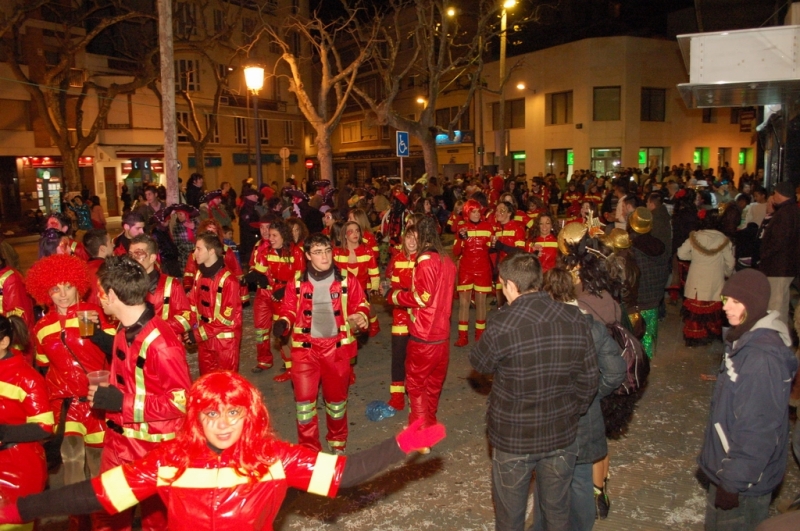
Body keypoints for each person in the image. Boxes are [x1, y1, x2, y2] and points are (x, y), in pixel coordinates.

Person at [0, 371, 446, 531]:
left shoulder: (274, 458)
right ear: (197, 418)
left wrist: (401, 444)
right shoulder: (170, 462)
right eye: (212, 415)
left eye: (233, 414)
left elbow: (343, 474)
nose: (224, 424)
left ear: (249, 416)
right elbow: (94, 494)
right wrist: (18, 509)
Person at [470, 252, 598, 531]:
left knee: (510, 517)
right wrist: (569, 412)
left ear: (511, 286)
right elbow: (589, 379)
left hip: (513, 438)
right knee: (556, 512)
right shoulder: (574, 316)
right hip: (560, 435)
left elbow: (479, 362)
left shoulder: (503, 322)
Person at [85, 255, 191, 531]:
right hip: (118, 444)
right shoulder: (123, 329)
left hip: (153, 451)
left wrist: (122, 402)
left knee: (156, 521)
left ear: (111, 294)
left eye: (99, 293)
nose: (98, 299)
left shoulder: (163, 345)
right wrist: (108, 393)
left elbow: (181, 401)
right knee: (105, 514)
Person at [699, 269, 797, 531]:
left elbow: (758, 428)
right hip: (728, 469)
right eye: (725, 299)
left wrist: (733, 482)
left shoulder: (761, 358)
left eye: (736, 302)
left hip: (742, 483)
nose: (726, 308)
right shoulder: (744, 340)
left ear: (753, 304)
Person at [532, 267, 625, 530]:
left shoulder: (540, 328)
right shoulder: (591, 326)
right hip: (584, 416)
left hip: (548, 418)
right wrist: (593, 392)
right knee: (582, 480)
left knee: (547, 481)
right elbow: (616, 371)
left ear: (546, 293)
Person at [25, 254, 114, 529]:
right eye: (55, 289)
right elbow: (43, 367)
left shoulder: (94, 314)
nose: (62, 294)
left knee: (99, 461)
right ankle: (78, 520)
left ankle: (102, 519)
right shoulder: (40, 328)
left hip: (97, 400)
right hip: (65, 405)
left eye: (67, 286)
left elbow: (115, 350)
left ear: (78, 284)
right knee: (72, 459)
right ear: (46, 292)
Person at [274, 233, 370, 453]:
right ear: (308, 255)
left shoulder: (347, 279)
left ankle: (337, 442)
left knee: (336, 403)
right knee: (304, 405)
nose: (325, 256)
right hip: (305, 352)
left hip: (336, 350)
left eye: (327, 251)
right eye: (318, 252)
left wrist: (361, 316)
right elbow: (288, 308)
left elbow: (361, 304)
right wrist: (283, 322)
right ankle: (309, 450)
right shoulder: (297, 283)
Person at [386, 216, 456, 427]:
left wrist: (394, 296)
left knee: (416, 385)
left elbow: (422, 298)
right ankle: (430, 423)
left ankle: (419, 430)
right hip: (442, 336)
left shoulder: (425, 261)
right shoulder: (448, 261)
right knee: (434, 385)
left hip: (424, 334)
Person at [0, 314, 52, 531]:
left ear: (3, 342)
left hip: (18, 468)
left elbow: (44, 428)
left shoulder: (26, 377)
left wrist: (4, 433)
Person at [245, 220, 304, 377]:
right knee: (279, 333)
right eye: (269, 235)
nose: (270, 238)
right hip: (274, 293)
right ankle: (288, 367)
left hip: (289, 295)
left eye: (274, 235)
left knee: (286, 332)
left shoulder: (296, 252)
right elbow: (259, 270)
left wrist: (285, 290)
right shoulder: (267, 252)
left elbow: (301, 277)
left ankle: (296, 365)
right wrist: (245, 278)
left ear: (283, 236)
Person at [677, 210, 734, 346]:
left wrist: (694, 258)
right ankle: (711, 334)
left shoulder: (695, 237)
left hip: (697, 280)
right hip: (715, 281)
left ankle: (695, 337)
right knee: (713, 311)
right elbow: (730, 262)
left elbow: (681, 254)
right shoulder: (723, 240)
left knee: (696, 312)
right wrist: (726, 272)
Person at [188, 233, 243, 374]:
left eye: (199, 249)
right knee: (206, 383)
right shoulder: (199, 274)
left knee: (226, 385)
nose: (195, 253)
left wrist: (198, 334)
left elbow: (225, 318)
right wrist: (192, 327)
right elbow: (193, 304)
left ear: (211, 251)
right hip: (205, 343)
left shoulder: (229, 281)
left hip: (224, 344)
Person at [381, 226, 418, 411]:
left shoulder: (425, 260)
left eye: (416, 238)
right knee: (398, 356)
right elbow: (389, 283)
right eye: (409, 237)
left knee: (416, 358)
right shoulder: (397, 259)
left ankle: (415, 395)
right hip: (400, 315)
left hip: (419, 317)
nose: (412, 242)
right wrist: (385, 287)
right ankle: (397, 396)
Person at [128, 235, 192, 339]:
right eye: (130, 255)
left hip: (163, 347)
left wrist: (157, 328)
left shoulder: (171, 285)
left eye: (138, 254)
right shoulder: (125, 284)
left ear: (152, 257)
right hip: (135, 349)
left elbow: (187, 317)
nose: (132, 260)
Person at [757, 181, 800, 327]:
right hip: (783, 266)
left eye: (775, 193)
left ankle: (776, 340)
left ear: (781, 194)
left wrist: (764, 254)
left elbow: (779, 241)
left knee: (776, 307)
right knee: (780, 304)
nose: (773, 196)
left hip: (779, 267)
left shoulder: (786, 213)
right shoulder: (790, 210)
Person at [453, 199, 493, 347]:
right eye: (472, 211)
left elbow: (492, 249)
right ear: (467, 213)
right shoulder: (462, 228)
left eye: (477, 211)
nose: (475, 214)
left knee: (481, 303)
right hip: (466, 268)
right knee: (464, 303)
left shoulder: (488, 227)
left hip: (482, 268)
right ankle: (462, 336)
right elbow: (456, 251)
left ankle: (480, 334)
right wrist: (461, 239)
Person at [83, 228, 113, 307]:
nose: (113, 245)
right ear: (102, 249)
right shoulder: (107, 270)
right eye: (110, 242)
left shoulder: (82, 269)